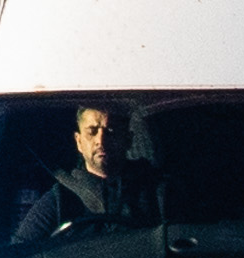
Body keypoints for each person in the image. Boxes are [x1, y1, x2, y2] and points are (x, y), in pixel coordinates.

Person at [11, 103, 148, 246]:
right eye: (92, 132)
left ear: (128, 140)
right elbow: (19, 254)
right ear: (79, 141)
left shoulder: (157, 192)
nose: (101, 141)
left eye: (111, 131)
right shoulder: (59, 200)